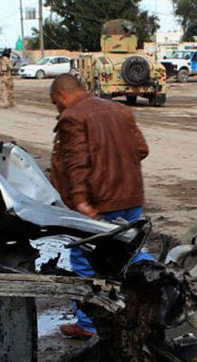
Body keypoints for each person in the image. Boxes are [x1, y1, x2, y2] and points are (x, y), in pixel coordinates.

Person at [48, 74, 153, 339]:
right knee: (130, 253)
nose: (59, 110)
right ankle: (161, 298)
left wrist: (81, 201)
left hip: (98, 203)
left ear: (61, 95)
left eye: (56, 104)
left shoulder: (73, 117)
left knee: (84, 260)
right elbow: (141, 149)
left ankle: (88, 325)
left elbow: (76, 164)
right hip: (131, 197)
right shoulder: (120, 109)